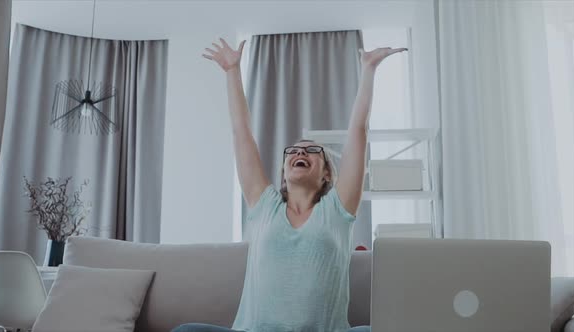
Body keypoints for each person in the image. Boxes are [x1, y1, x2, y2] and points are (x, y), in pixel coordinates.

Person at [171, 38, 407, 332]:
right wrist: (232, 71)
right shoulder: (264, 205)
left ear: (326, 174)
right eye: (293, 151)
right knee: (185, 331)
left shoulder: (337, 208)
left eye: (310, 151)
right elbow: (241, 131)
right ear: (284, 172)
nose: (299, 153)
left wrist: (369, 70)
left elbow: (358, 130)